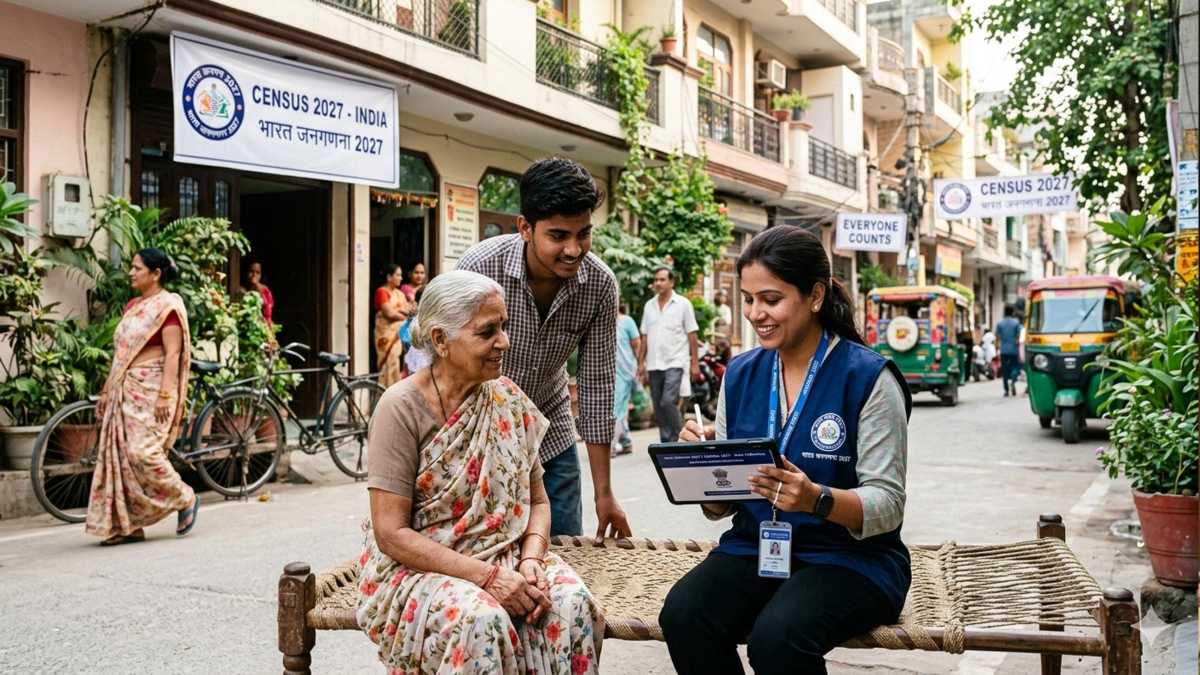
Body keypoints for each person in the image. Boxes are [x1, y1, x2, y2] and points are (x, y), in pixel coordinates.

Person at [659, 226, 912, 675]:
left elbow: (888, 504)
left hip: (852, 560)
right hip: (757, 548)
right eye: (749, 299)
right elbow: (722, 507)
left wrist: (817, 499)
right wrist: (702, 467)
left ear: (814, 296)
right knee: (684, 614)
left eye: (771, 299)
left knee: (778, 638)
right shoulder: (739, 374)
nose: (757, 314)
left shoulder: (870, 378)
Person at [357, 271, 603, 674]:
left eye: (503, 326)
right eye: (487, 332)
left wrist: (530, 561)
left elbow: (538, 501)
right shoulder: (399, 408)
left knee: (572, 604)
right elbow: (390, 533)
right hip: (422, 569)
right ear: (440, 340)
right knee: (481, 622)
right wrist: (489, 578)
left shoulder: (506, 397)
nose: (503, 342)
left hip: (509, 557)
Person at [458, 157, 631, 541]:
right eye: (558, 236)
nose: (573, 249)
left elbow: (598, 385)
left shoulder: (600, 286)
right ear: (525, 228)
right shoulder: (479, 269)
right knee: (482, 551)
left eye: (583, 234)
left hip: (549, 429)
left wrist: (605, 494)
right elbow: (449, 366)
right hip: (478, 430)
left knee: (565, 544)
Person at [85, 248, 200, 545]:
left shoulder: (168, 307)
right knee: (120, 458)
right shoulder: (134, 305)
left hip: (153, 388)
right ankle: (126, 525)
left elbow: (173, 353)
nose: (131, 273)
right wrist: (108, 390)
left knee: (142, 452)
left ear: (156, 273)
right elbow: (122, 354)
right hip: (125, 387)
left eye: (137, 268)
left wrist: (165, 396)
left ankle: (185, 497)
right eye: (131, 268)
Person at [638, 267, 701, 444]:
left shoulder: (683, 304)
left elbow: (692, 334)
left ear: (671, 282)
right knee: (659, 408)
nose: (658, 283)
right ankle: (667, 443)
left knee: (667, 402)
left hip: (675, 362)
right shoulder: (649, 306)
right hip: (654, 364)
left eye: (662, 279)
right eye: (656, 279)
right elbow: (644, 336)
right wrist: (640, 363)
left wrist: (694, 363)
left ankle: (684, 436)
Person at [374, 263, 413, 388]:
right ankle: (383, 393)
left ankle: (393, 394)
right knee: (387, 364)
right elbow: (389, 313)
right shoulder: (382, 292)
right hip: (385, 335)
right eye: (398, 275)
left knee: (396, 364)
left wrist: (402, 312)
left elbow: (408, 309)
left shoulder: (399, 294)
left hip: (397, 335)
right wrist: (403, 315)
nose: (401, 278)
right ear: (389, 277)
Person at [612, 303, 642, 457]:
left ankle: (611, 443)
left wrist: (639, 366)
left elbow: (637, 344)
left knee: (617, 407)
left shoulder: (627, 321)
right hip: (607, 372)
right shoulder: (602, 321)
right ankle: (626, 441)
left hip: (625, 371)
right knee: (620, 407)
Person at [996, 305, 1022, 397]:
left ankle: (1006, 390)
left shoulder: (1000, 323)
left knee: (1005, 370)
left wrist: (997, 350)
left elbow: (998, 338)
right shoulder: (1016, 323)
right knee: (1015, 367)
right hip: (1014, 350)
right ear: (1013, 313)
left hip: (1003, 350)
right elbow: (1018, 337)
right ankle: (1013, 380)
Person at [241, 259, 275, 329]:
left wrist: (258, 287)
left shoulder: (265, 290)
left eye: (257, 272)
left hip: (262, 327)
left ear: (261, 275)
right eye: (251, 271)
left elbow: (268, 314)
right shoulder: (240, 289)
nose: (254, 275)